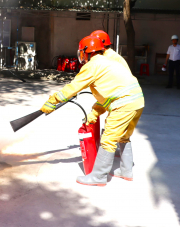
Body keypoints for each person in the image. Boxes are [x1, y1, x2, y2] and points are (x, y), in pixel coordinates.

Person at [41, 36, 144, 186]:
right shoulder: (108, 62)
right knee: (123, 136)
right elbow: (111, 94)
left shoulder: (92, 66)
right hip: (137, 101)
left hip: (124, 104)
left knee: (108, 140)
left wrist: (52, 101)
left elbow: (73, 88)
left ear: (85, 52)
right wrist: (95, 112)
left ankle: (98, 177)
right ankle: (126, 171)